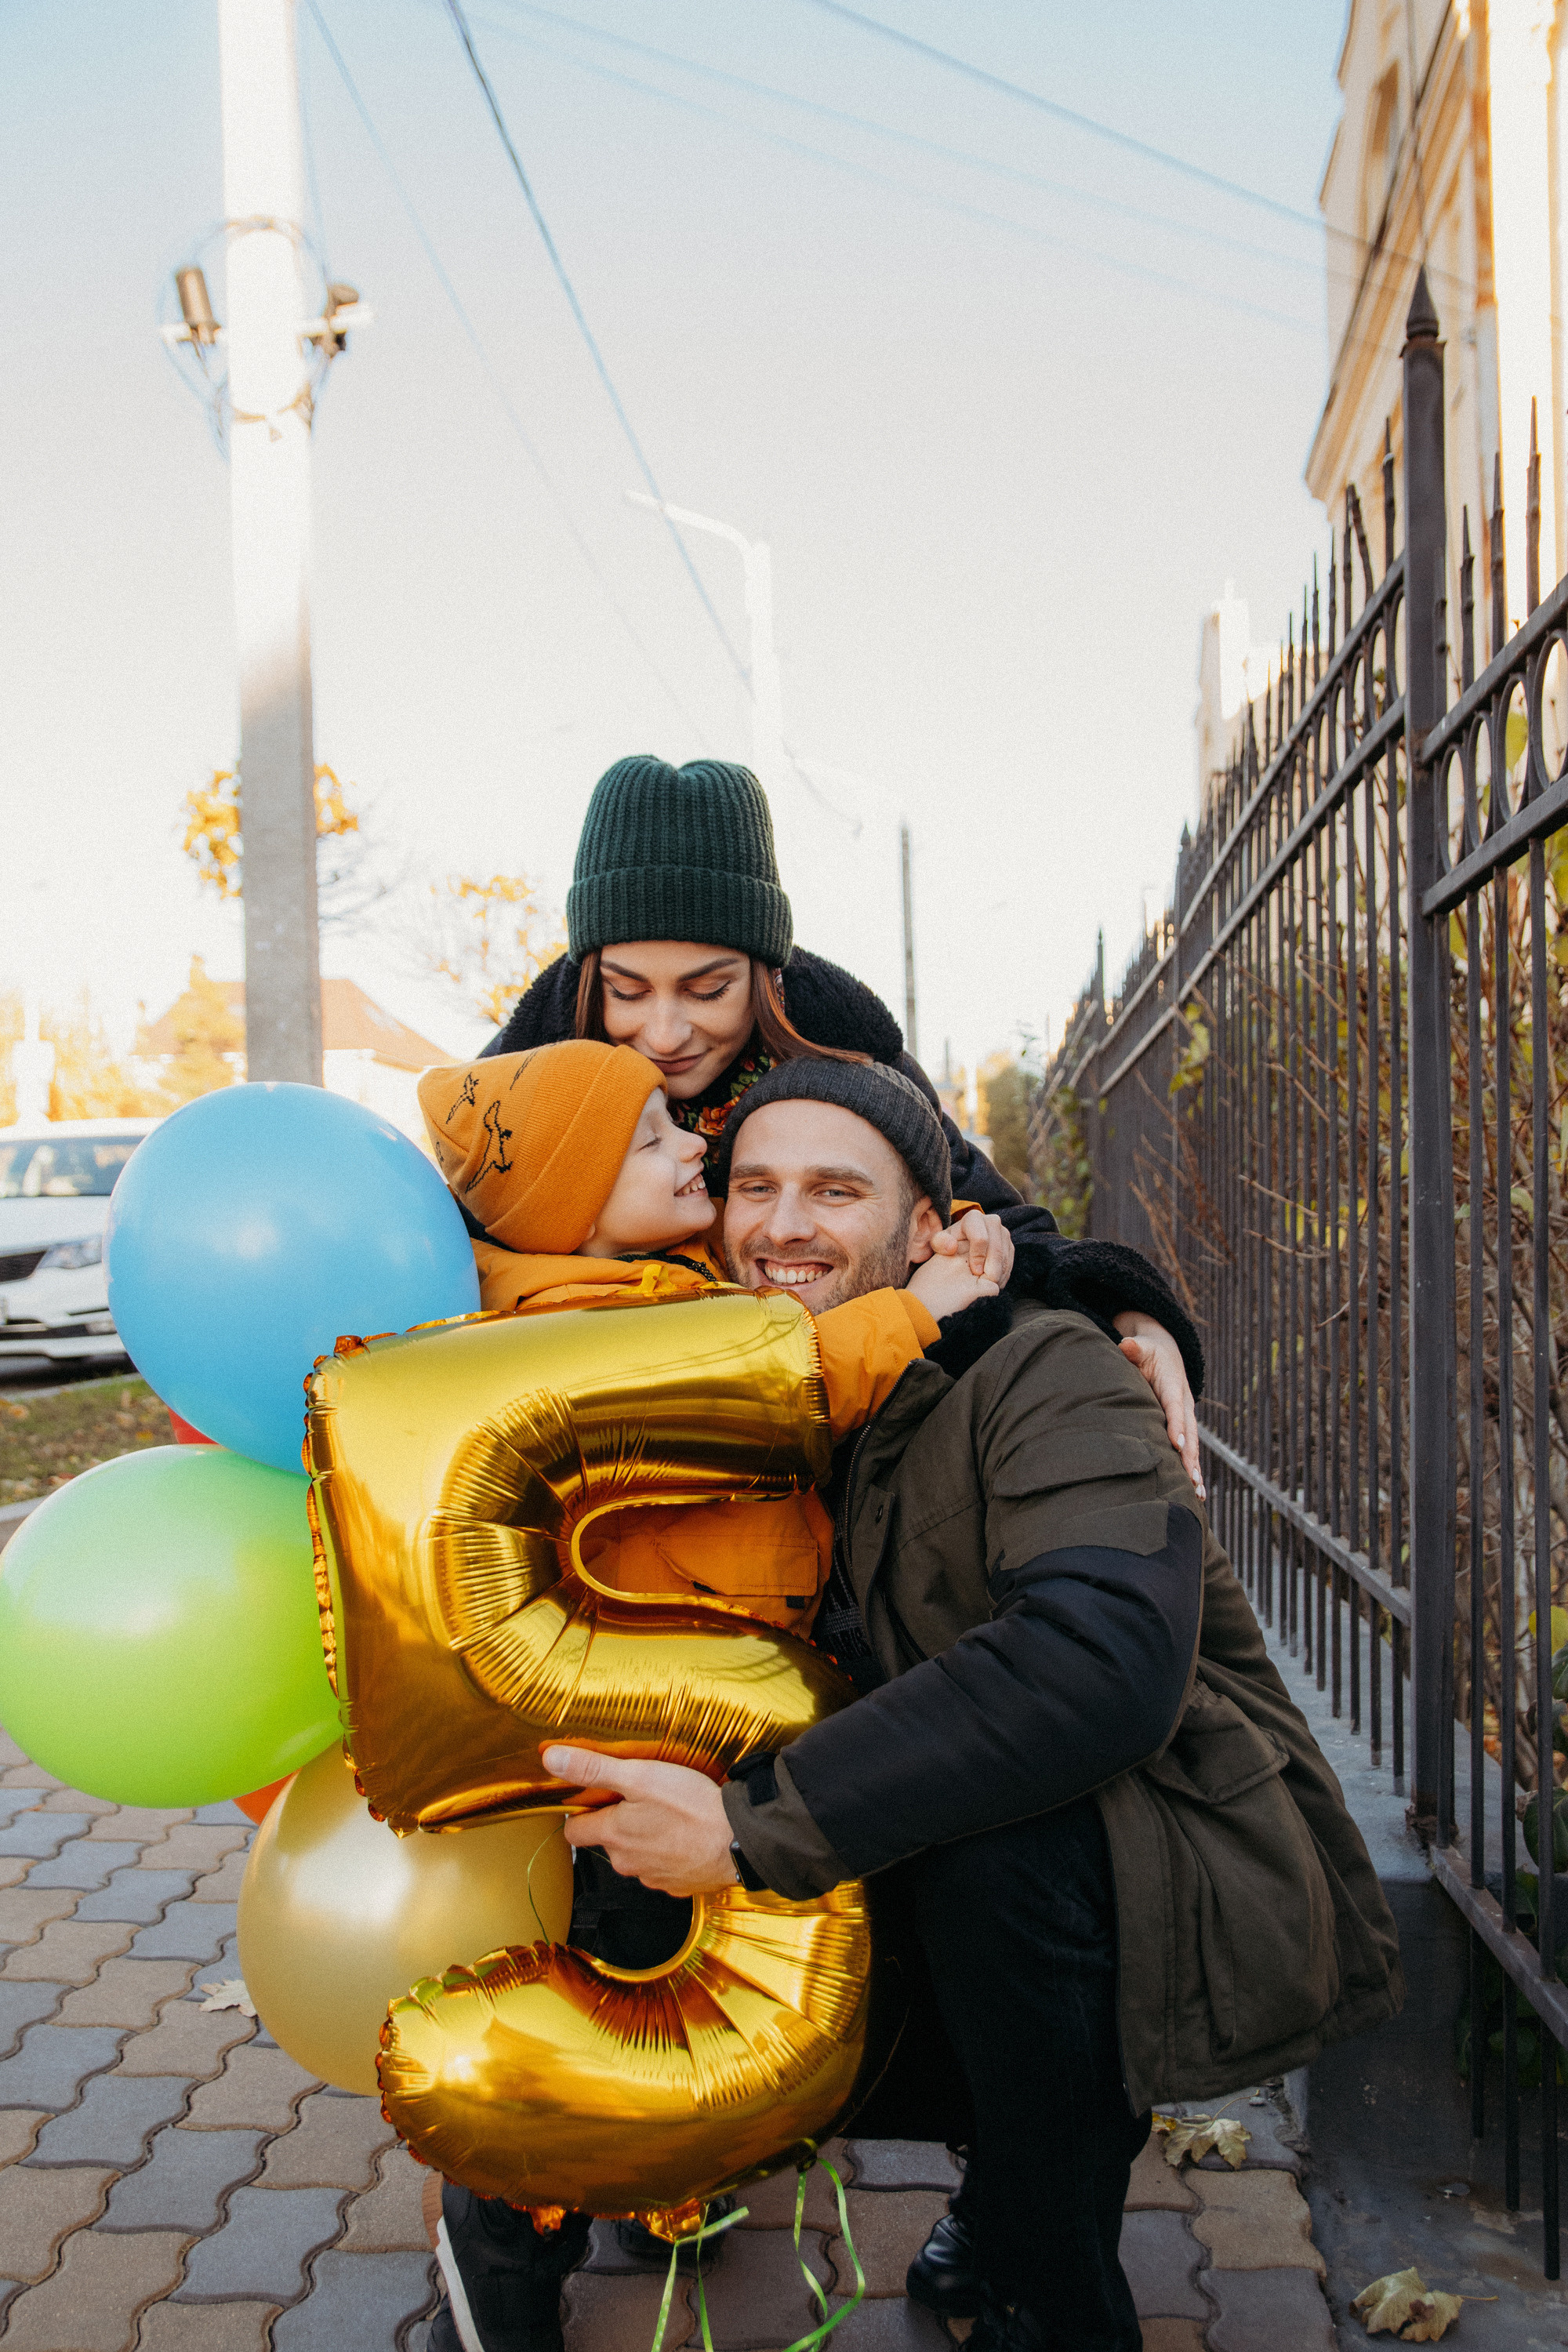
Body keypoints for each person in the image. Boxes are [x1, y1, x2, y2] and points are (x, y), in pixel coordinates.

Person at [534, 1058, 1403, 2352]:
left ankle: (1045, 2283)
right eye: (755, 1186)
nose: (783, 1224)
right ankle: (548, 2234)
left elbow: (1099, 1662)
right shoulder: (744, 1393)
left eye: (836, 1190)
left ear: (934, 1233)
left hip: (1141, 1856)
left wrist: (749, 1828)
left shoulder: (1048, 1371)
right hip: (871, 1846)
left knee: (1003, 1850)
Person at [484, 752, 1209, 1491]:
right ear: (588, 979)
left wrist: (1133, 1314)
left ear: (767, 972)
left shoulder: (849, 1052)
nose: (666, 1033)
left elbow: (991, 1220)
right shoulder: (523, 1085)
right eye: (627, 992)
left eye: (708, 990)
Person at [416, 1036, 1011, 1635]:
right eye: (653, 1141)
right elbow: (767, 1396)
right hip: (676, 1656)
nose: (696, 1143)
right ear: (578, 1204)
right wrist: (914, 1309)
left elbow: (850, 1214)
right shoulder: (570, 1323)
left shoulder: (672, 1255)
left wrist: (949, 1232)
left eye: (673, 1123)